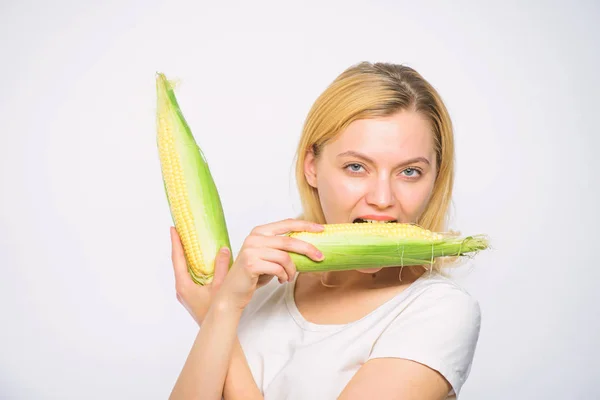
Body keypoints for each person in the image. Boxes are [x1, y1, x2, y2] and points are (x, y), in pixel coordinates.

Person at [168, 61, 482, 400]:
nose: (382, 198)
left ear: (436, 178)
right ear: (312, 167)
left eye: (409, 172)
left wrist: (215, 312)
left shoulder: (439, 311)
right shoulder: (259, 289)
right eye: (357, 167)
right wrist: (224, 307)